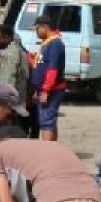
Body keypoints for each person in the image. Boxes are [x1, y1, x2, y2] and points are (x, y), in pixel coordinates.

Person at [31, 14, 66, 142]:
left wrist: (46, 90)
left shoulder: (55, 44)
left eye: (37, 29)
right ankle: (52, 148)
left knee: (46, 122)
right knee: (49, 121)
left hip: (52, 90)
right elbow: (41, 66)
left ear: (45, 27)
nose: (36, 32)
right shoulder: (47, 43)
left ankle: (46, 151)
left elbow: (52, 69)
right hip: (44, 89)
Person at [0, 24, 30, 106]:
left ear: (7, 37)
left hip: (9, 99)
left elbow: (7, 79)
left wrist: (1, 99)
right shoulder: (19, 50)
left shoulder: (10, 54)